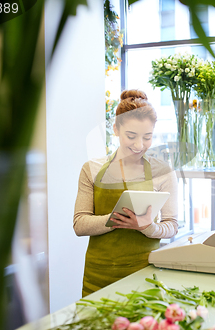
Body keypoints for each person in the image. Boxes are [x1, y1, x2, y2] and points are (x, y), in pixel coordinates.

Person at [74, 90, 178, 296]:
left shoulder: (163, 172)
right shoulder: (92, 169)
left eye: (147, 137)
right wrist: (115, 220)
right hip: (98, 275)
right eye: (131, 136)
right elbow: (79, 224)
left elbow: (172, 225)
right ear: (116, 129)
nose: (139, 145)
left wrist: (148, 227)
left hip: (146, 274)